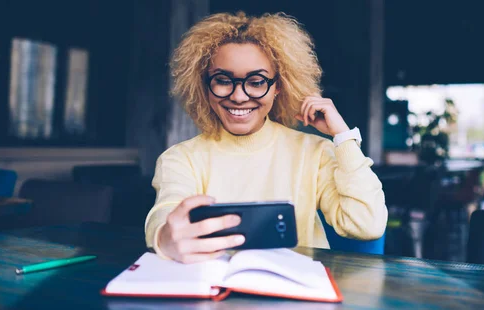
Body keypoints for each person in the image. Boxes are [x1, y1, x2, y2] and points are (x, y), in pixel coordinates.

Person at [145, 11, 387, 263]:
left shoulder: (315, 151)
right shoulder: (180, 158)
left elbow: (367, 225)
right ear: (204, 85)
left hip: (298, 295)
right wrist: (164, 237)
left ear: (278, 86)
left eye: (257, 81)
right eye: (223, 80)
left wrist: (343, 136)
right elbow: (165, 213)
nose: (239, 96)